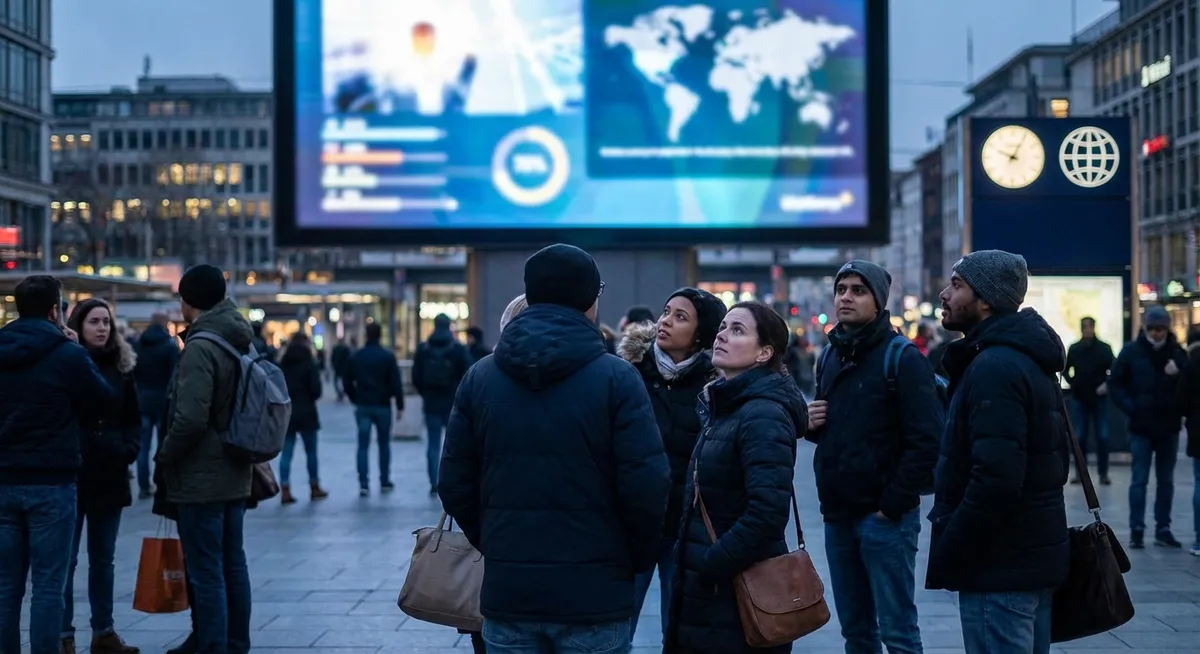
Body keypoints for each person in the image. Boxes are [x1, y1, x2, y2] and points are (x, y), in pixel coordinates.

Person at [439, 243, 670, 654]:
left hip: (510, 594)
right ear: (589, 298)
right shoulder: (617, 378)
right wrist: (628, 560)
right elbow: (647, 486)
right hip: (596, 595)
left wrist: (497, 543)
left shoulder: (481, 377)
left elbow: (455, 482)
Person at [927, 250, 1069, 654]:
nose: (944, 295)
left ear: (986, 299)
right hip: (1026, 556)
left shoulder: (995, 367)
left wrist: (954, 540)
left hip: (999, 564)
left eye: (956, 286)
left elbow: (996, 477)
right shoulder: (1023, 359)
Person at [808, 261, 942, 654]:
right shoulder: (830, 356)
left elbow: (926, 441)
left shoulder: (902, 358)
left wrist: (892, 505)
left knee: (898, 633)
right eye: (842, 289)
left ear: (879, 301)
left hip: (885, 520)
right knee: (857, 632)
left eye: (858, 290)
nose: (846, 297)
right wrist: (812, 425)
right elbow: (841, 432)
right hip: (838, 516)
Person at [667, 301, 807, 654]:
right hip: (708, 597)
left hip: (735, 594)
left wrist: (711, 563)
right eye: (723, 327)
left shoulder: (762, 415)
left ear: (764, 353)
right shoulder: (727, 407)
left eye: (738, 330)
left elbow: (767, 514)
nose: (722, 335)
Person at [0, 275, 114, 654]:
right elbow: (103, 402)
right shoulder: (67, 353)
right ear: (55, 310)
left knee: (6, 586)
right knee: (49, 585)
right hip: (53, 480)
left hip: (3, 479)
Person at [618, 287, 727, 642]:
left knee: (679, 631)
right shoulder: (627, 373)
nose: (665, 321)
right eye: (666, 312)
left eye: (681, 317)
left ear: (700, 336)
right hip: (629, 522)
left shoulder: (716, 387)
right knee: (616, 627)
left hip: (685, 527)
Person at [156, 264, 254, 654]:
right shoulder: (239, 337)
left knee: (207, 569)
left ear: (188, 301)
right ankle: (233, 642)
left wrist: (165, 456)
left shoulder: (201, 346)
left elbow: (190, 418)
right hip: (235, 466)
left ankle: (213, 645)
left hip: (201, 475)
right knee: (233, 564)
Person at [59, 299, 142, 654]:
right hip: (72, 473)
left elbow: (133, 416)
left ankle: (103, 631)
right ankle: (64, 634)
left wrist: (128, 449)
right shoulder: (65, 363)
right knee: (66, 560)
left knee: (103, 559)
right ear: (78, 325)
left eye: (106, 321)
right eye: (94, 321)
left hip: (109, 472)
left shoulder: (121, 366)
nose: (102, 328)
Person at [1107, 305, 1188, 549]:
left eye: (1160, 329)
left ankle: (1163, 528)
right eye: (1152, 329)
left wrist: (1179, 374)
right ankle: (1137, 530)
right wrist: (1132, 408)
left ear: (1167, 329)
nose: (1156, 334)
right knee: (1139, 480)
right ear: (1145, 328)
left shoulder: (1178, 354)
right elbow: (1116, 383)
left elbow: (1191, 386)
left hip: (1168, 427)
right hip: (1141, 427)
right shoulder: (1131, 352)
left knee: (1166, 481)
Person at [411, 314, 472, 495]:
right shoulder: (457, 349)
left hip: (431, 402)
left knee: (433, 444)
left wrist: (425, 393)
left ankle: (433, 482)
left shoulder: (424, 348)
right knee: (454, 444)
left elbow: (416, 376)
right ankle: (452, 481)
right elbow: (469, 373)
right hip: (452, 402)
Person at [343, 323, 404, 496]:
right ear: (380, 335)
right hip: (383, 405)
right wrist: (399, 405)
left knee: (362, 445)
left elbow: (346, 381)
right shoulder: (387, 356)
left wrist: (354, 397)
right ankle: (384, 480)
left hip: (363, 404)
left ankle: (363, 483)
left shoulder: (356, 356)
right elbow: (396, 383)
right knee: (384, 444)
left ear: (366, 335)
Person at [1064, 316, 1116, 485]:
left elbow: (1114, 370)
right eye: (1084, 327)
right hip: (1080, 397)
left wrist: (1106, 384)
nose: (1087, 330)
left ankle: (1103, 473)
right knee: (1079, 437)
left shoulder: (1103, 349)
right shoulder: (1075, 349)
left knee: (1103, 436)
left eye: (1089, 327)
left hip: (1098, 398)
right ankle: (1080, 473)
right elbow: (1065, 370)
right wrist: (1074, 385)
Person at [133, 312, 179, 499]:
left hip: (142, 400)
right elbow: (174, 374)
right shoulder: (169, 346)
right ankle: (161, 482)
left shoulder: (138, 344)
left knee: (143, 446)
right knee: (163, 443)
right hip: (162, 401)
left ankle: (143, 485)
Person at [277, 333, 328, 504]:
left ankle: (284, 489)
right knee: (311, 452)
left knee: (287, 453)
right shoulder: (309, 363)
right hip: (307, 412)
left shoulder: (283, 364)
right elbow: (317, 391)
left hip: (288, 412)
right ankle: (314, 486)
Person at [1179, 329, 1200, 556]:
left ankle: (1199, 540)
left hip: (1198, 431)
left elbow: (1181, 402)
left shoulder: (1191, 365)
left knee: (1199, 482)